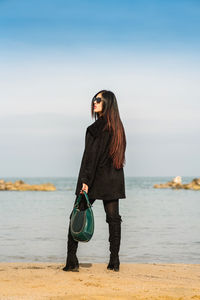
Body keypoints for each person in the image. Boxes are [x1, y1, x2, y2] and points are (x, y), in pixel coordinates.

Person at [63, 90, 126, 272]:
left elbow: (92, 157)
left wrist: (85, 180)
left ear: (107, 103)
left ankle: (71, 260)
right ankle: (114, 261)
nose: (94, 102)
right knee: (113, 219)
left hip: (94, 179)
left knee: (76, 215)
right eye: (94, 99)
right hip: (113, 179)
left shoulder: (96, 128)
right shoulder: (118, 128)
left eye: (98, 100)